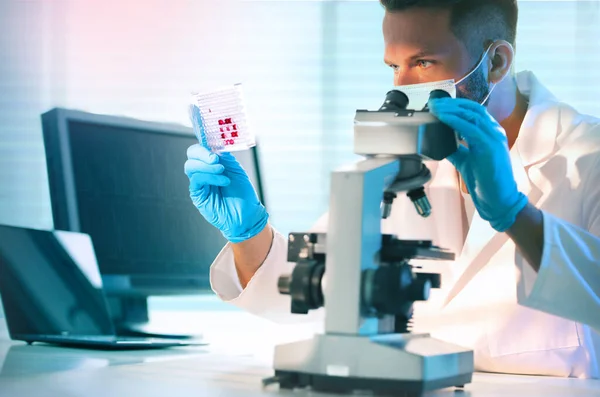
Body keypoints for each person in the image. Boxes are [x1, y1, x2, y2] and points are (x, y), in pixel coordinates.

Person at [184, 0, 600, 379]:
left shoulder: (589, 155)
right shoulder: (402, 163)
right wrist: (249, 231)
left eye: (423, 62)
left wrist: (513, 211)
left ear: (495, 63)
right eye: (393, 67)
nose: (400, 89)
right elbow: (313, 290)